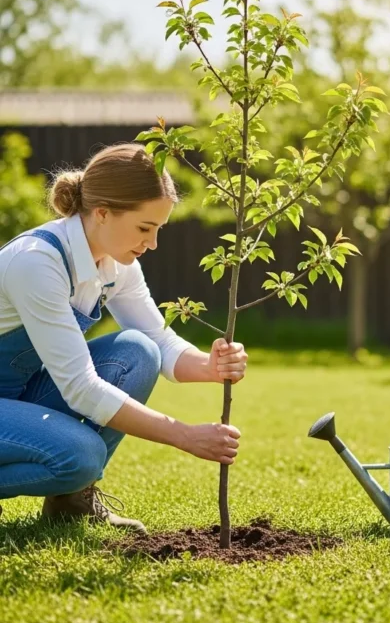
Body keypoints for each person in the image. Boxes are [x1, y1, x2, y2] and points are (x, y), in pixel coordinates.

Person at [0, 142, 246, 533]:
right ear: (102, 213)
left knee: (138, 352)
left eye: (159, 229)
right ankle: (75, 482)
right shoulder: (36, 262)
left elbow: (159, 341)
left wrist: (210, 366)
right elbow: (81, 388)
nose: (153, 243)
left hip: (15, 394)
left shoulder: (116, 263)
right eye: (144, 228)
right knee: (81, 455)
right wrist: (184, 435)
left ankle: (70, 504)